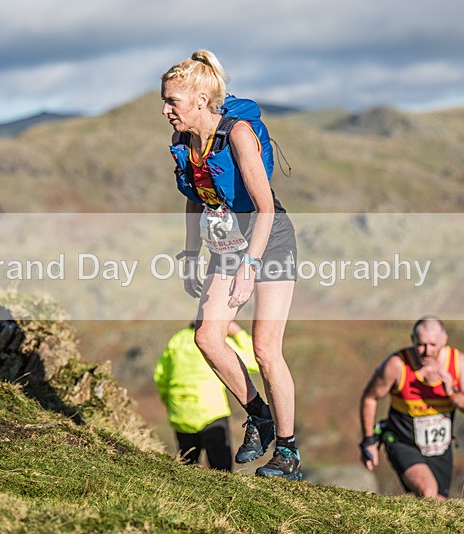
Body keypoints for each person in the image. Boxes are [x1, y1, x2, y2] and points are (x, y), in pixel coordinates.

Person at [161, 50, 301, 479]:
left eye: (174, 103)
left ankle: (289, 452)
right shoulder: (185, 142)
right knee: (207, 337)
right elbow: (194, 197)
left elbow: (263, 207)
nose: (167, 111)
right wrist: (189, 255)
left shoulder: (237, 134)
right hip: (226, 246)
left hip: (270, 242)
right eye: (164, 102)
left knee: (264, 348)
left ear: (201, 101)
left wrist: (249, 267)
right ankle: (259, 415)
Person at [359, 317, 464, 499]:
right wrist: (368, 441)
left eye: (433, 345)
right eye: (421, 345)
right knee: (428, 492)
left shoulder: (458, 363)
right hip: (403, 443)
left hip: (440, 448)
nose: (427, 352)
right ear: (412, 340)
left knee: (439, 503)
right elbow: (370, 398)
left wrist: (452, 393)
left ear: (444, 340)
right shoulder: (397, 365)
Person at [153, 321, 259, 471]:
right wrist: (237, 332)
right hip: (212, 412)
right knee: (222, 470)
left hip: (181, 413)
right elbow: (255, 360)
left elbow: (161, 377)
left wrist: (169, 403)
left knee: (184, 467)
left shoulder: (177, 340)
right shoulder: (214, 342)